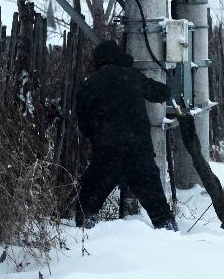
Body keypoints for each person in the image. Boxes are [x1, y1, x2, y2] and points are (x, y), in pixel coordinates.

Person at [75, 40, 177, 230]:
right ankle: (172, 241)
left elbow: (85, 128)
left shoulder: (88, 86)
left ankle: (86, 249)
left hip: (106, 156)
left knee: (86, 210)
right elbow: (161, 92)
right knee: (161, 213)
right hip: (139, 154)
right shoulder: (131, 77)